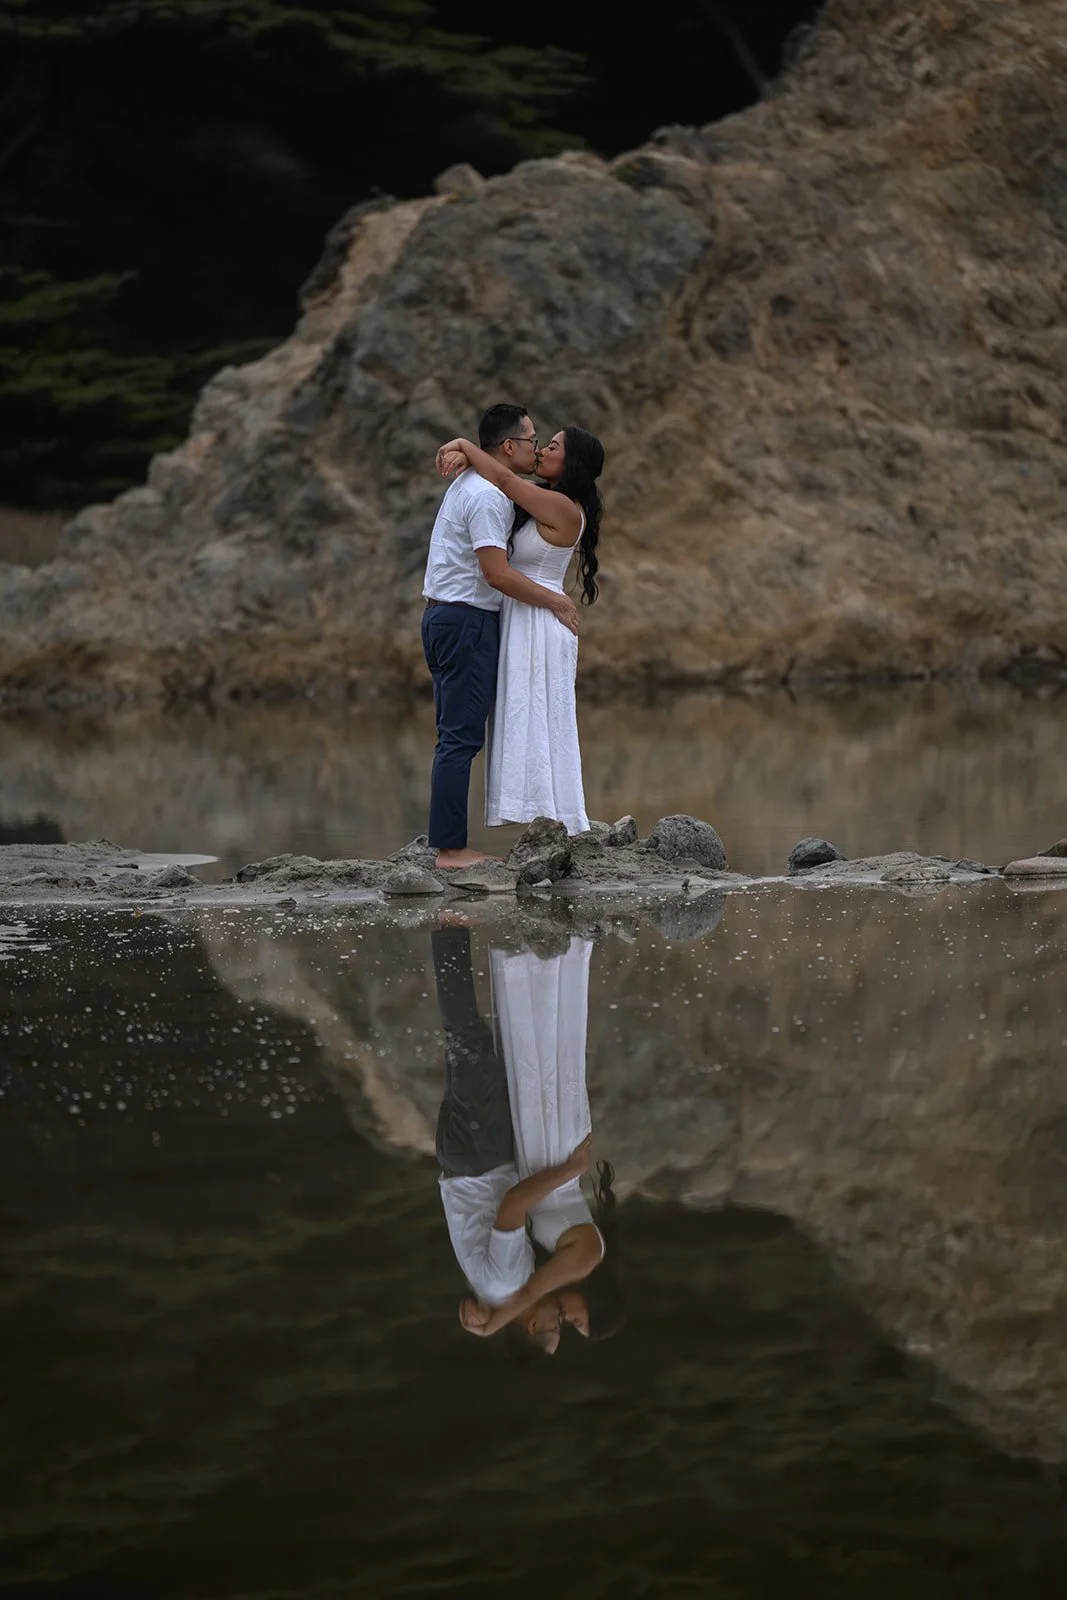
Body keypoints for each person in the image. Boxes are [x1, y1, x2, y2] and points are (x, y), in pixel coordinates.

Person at [421, 404, 580, 870]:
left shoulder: (474, 484)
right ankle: (450, 851)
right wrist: (555, 600)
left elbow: (514, 487)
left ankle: (448, 843)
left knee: (454, 734)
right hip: (466, 620)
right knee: (460, 737)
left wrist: (467, 451)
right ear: (510, 446)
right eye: (532, 440)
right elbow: (497, 574)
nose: (537, 448)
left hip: (446, 617)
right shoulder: (488, 497)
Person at [458, 935, 625, 1356]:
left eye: (569, 1326)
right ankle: (545, 957)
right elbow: (531, 1290)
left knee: (536, 1063)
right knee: (547, 1063)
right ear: (596, 1303)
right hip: (555, 1157)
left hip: (546, 1159)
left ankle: (534, 955)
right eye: (579, 1321)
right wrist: (494, 1323)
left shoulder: (572, 1269)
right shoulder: (585, 1260)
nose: (568, 1319)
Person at [432, 917, 592, 1314]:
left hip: (480, 1154)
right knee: (465, 1043)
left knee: (466, 1036)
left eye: (556, 1325)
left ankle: (449, 925)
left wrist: (571, 1169)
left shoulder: (508, 1283)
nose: (558, 1314)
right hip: (466, 1157)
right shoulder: (499, 1290)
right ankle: (449, 928)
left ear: (534, 1327)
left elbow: (513, 1203)